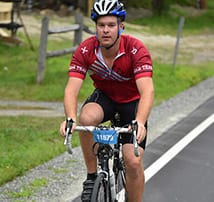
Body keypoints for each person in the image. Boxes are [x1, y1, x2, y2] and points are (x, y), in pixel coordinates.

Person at [59, 0, 154, 201]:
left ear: (121, 27)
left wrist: (141, 121)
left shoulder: (136, 49)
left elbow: (147, 91)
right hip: (106, 98)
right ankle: (92, 177)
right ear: (95, 28)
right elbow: (71, 88)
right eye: (101, 26)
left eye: (111, 25)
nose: (106, 31)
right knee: (85, 118)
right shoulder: (86, 50)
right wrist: (69, 118)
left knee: (133, 162)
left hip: (131, 103)